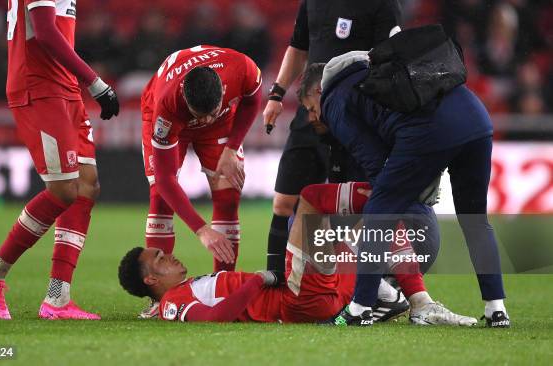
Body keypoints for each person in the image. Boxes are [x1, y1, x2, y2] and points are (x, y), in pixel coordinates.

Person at [298, 54, 510, 328]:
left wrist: (403, 186)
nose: (314, 116)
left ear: (318, 90)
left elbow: (376, 164)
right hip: (476, 117)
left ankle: (360, 309)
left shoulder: (334, 99)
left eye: (310, 108)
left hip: (433, 130)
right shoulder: (373, 72)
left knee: (379, 210)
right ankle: (497, 310)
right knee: (475, 220)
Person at [118, 181, 476, 326]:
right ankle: (398, 189)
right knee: (311, 199)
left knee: (381, 223)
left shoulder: (181, 291)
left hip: (327, 294)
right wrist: (257, 279)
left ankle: (418, 302)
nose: (170, 256)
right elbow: (215, 318)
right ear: (150, 280)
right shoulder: (172, 304)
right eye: (159, 260)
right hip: (301, 296)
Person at [0, 0, 120, 320]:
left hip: (63, 87)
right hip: (38, 87)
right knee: (65, 190)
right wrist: (96, 82)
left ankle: (58, 298)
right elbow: (46, 32)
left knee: (86, 186)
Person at [262, 0, 406, 280]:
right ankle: (276, 281)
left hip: (353, 117)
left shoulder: (384, 5)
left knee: (353, 208)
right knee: (283, 202)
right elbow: (298, 47)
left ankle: (367, 285)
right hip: (312, 112)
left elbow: (389, 60)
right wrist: (277, 94)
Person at [139, 45, 262, 316]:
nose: (205, 119)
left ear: (222, 91)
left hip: (221, 129)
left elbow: (253, 99)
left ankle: (222, 287)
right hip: (175, 125)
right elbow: (165, 178)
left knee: (229, 196)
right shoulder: (167, 106)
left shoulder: (242, 68)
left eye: (211, 111)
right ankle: (159, 300)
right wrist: (201, 230)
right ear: (185, 97)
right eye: (199, 114)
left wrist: (232, 147)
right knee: (160, 198)